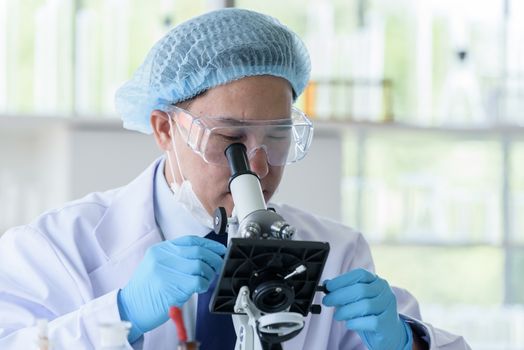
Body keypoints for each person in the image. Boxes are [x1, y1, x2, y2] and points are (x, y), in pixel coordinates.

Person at [0, 8, 470, 350]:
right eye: (230, 138)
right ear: (165, 129)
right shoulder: (58, 247)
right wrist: (120, 314)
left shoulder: (338, 253)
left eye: (278, 137)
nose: (259, 167)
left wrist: (408, 343)